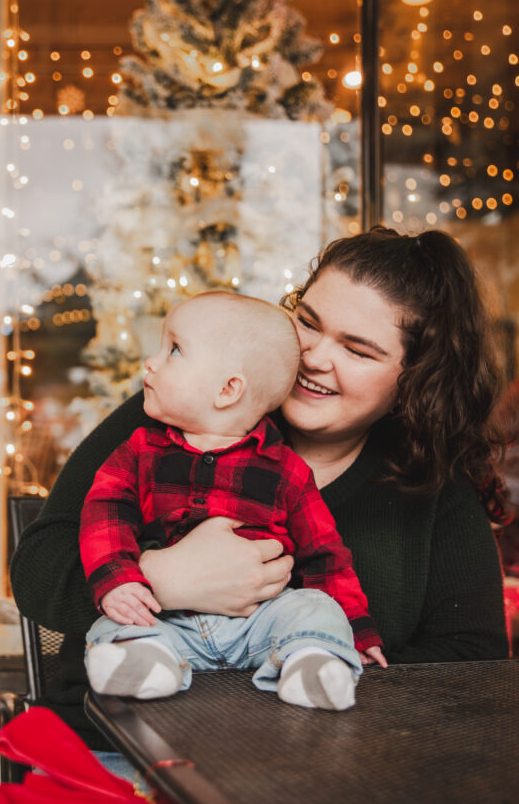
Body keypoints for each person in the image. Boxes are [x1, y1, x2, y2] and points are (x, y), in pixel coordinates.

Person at [10, 227, 510, 804]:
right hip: (126, 772)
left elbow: (471, 674)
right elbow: (38, 565)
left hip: (338, 797)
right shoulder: (190, 402)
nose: (312, 357)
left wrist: (317, 677)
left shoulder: (430, 488)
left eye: (359, 348)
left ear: (414, 377)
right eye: (307, 322)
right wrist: (161, 577)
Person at [80, 291, 385, 711]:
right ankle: (144, 664)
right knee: (113, 622)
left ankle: (314, 664)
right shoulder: (139, 449)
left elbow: (325, 557)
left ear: (228, 390)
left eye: (173, 350)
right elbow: (104, 512)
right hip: (169, 621)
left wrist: (356, 631)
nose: (150, 362)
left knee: (315, 606)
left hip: (262, 623)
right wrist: (119, 580)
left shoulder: (287, 471)